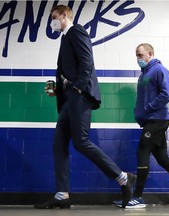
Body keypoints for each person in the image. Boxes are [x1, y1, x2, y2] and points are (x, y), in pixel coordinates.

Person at [34, 5, 135, 209]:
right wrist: (59, 89)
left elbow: (87, 61)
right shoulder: (64, 38)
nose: (51, 21)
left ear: (64, 15)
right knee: (59, 144)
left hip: (79, 96)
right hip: (68, 98)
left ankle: (123, 177)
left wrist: (78, 88)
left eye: (53, 17)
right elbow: (68, 70)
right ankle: (62, 195)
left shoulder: (77, 31)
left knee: (81, 141)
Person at [114, 43, 169, 209]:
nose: (138, 59)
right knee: (163, 160)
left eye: (140, 55)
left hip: (158, 119)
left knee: (142, 150)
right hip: (150, 121)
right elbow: (142, 100)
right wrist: (139, 115)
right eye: (136, 56)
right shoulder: (142, 76)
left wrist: (147, 109)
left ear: (150, 54)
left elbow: (166, 94)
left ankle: (138, 197)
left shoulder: (159, 70)